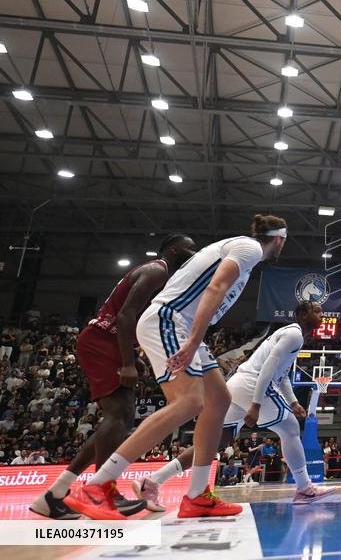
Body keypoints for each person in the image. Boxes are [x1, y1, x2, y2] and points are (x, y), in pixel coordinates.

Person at [66, 214, 288, 519]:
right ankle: (97, 485)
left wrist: (195, 338)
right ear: (279, 239)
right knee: (188, 401)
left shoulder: (246, 254)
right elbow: (215, 288)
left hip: (181, 325)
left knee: (219, 400)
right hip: (170, 320)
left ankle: (197, 495)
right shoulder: (249, 248)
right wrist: (194, 341)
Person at [30, 234, 196, 520]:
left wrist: (131, 357)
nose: (194, 252)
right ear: (173, 249)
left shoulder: (162, 276)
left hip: (110, 344)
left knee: (116, 420)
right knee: (119, 417)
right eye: (189, 247)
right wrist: (129, 364)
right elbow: (124, 316)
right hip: (101, 340)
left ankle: (55, 494)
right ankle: (102, 491)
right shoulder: (158, 270)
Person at [134, 301, 333, 508]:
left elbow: (280, 375)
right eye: (317, 310)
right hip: (252, 385)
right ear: (302, 315)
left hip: (238, 386)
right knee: (290, 428)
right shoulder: (294, 335)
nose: (322, 313)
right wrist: (255, 404)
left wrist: (292, 402)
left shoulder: (292, 336)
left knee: (214, 443)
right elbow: (267, 369)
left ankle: (152, 481)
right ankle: (305, 489)